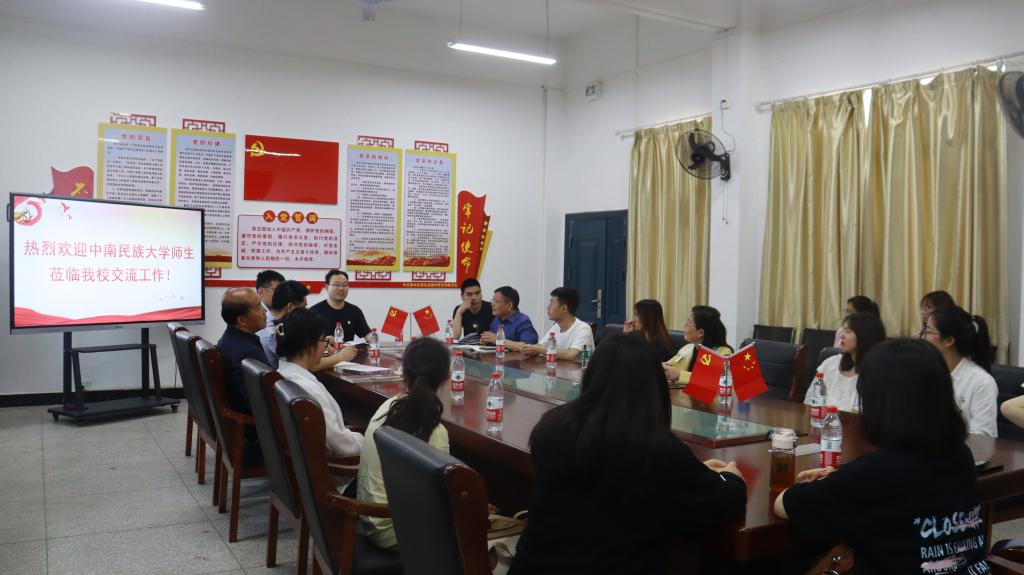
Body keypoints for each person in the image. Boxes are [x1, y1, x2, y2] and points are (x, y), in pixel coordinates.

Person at [508, 333, 746, 574]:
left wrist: (694, 470)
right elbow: (722, 502)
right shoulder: (656, 446)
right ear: (653, 384)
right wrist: (731, 476)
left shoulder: (552, 427)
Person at [775, 339, 990, 574]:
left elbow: (784, 504)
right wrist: (840, 479)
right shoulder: (960, 454)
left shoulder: (874, 473)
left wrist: (834, 482)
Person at [357, 337, 451, 549]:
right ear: (447, 376)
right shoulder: (433, 429)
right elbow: (439, 496)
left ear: (404, 373)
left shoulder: (388, 406)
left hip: (371, 518)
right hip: (397, 529)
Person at [274, 308, 363, 492]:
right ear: (309, 344)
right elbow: (342, 446)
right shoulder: (307, 389)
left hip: (304, 475)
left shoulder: (281, 373)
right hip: (335, 482)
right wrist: (368, 441)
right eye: (323, 341)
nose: (325, 348)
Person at [920, 305, 998, 437]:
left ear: (949, 340)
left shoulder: (981, 382)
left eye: (928, 331)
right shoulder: (924, 372)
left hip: (963, 450)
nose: (922, 337)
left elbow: (982, 439)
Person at [257, 280, 358, 370]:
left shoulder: (276, 324)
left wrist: (320, 342)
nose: (306, 311)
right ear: (290, 308)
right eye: (304, 307)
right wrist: (341, 356)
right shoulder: (274, 332)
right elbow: (306, 365)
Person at [808, 313, 886, 413]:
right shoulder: (830, 363)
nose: (841, 336)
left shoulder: (878, 373)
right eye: (843, 330)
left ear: (864, 336)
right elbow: (810, 400)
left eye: (848, 331)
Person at [216, 287, 269, 415]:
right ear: (242, 320)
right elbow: (261, 405)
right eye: (258, 307)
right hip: (256, 424)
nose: (265, 311)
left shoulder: (231, 339)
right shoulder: (246, 354)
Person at [520, 287, 595, 361]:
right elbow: (540, 346)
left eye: (552, 303)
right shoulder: (556, 326)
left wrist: (539, 350)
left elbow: (570, 355)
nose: (548, 307)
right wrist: (530, 349)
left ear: (564, 308)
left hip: (577, 369)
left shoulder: (583, 329)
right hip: (558, 367)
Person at [663, 305, 733, 384]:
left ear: (700, 333)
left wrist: (680, 375)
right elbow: (669, 364)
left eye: (688, 323)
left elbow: (716, 379)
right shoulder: (687, 348)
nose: (684, 326)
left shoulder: (722, 353)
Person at [310, 270, 371, 343]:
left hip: (348, 350)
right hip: (323, 350)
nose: (341, 288)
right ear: (327, 287)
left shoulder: (355, 311)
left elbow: (367, 334)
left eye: (344, 285)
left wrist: (374, 338)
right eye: (336, 285)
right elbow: (307, 341)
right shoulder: (314, 312)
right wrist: (324, 341)